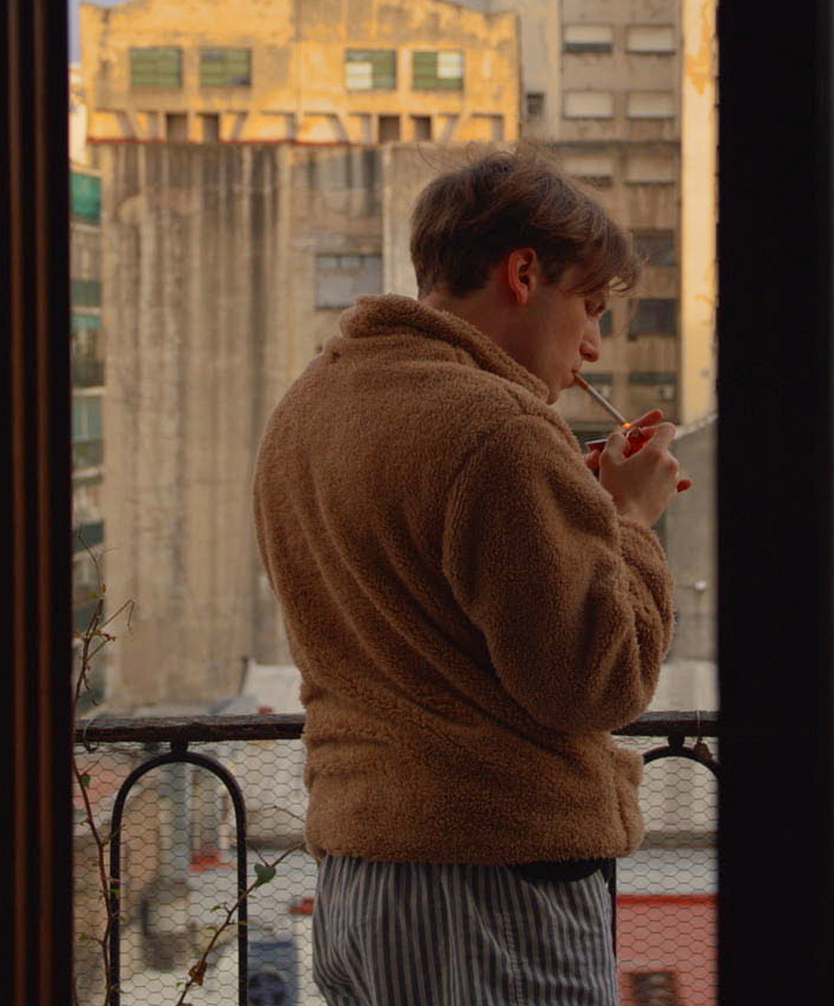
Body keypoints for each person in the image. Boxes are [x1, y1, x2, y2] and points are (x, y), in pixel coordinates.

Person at [252, 148, 688, 1006]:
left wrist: (569, 512)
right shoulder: (499, 430)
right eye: (590, 307)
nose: (593, 347)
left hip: (356, 883)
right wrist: (629, 519)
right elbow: (599, 681)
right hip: (492, 891)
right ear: (522, 274)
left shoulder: (306, 407)